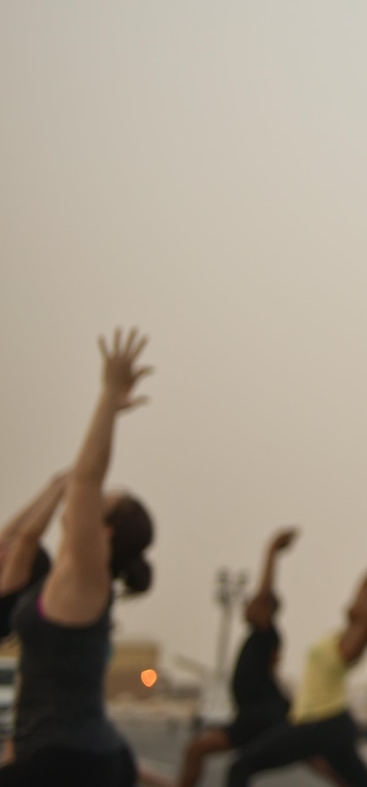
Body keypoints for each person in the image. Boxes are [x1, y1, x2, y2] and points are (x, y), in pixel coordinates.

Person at [0, 331, 157, 787]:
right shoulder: (63, 579)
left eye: (101, 501)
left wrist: (108, 395)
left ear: (102, 531)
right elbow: (27, 533)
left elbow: (88, 478)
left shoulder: (87, 580)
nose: (85, 499)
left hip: (71, 760)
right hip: (63, 753)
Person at [226, 525, 367, 787]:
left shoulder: (357, 638)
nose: (360, 597)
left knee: (240, 767)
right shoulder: (346, 631)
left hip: (320, 723)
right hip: (332, 726)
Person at [177, 528, 329, 787]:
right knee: (197, 750)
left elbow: (265, 592)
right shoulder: (259, 638)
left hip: (268, 716)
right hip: (248, 717)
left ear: (267, 611)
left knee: (312, 760)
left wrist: (271, 552)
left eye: (253, 605)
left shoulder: (265, 632)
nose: (247, 608)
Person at [0, 472, 65, 642]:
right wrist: (53, 486)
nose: (3, 548)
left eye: (10, 551)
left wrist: (59, 492)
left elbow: (27, 537)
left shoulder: (7, 598)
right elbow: (11, 533)